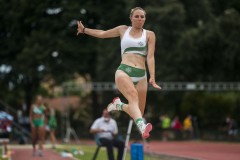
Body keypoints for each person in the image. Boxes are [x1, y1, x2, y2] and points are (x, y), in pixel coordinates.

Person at [77, 7, 161, 139]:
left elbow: (150, 57)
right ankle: (142, 126)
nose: (140, 19)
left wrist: (153, 77)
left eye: (142, 17)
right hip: (124, 71)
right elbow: (102, 34)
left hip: (142, 75)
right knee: (133, 97)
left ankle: (119, 105)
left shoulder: (150, 34)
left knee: (138, 110)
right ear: (131, 18)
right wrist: (84, 30)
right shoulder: (123, 30)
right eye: (137, 16)